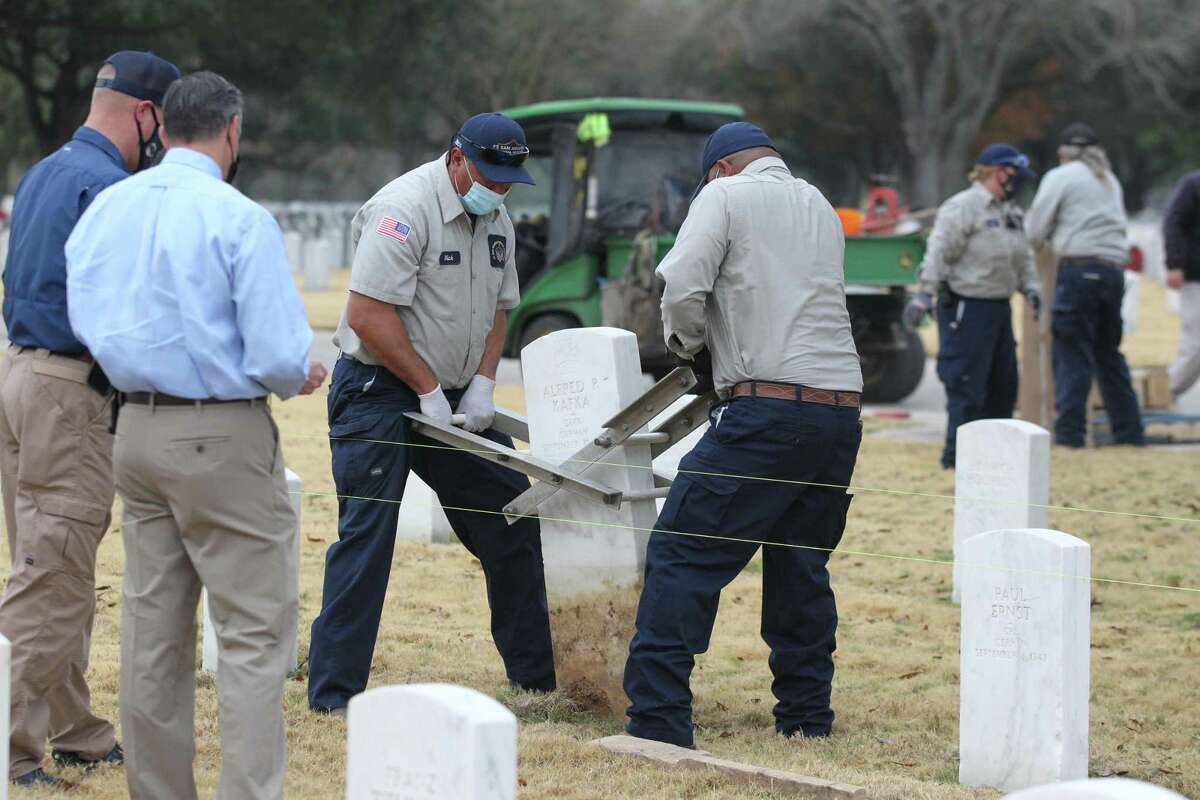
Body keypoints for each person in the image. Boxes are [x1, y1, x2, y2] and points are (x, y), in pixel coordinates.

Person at [64, 71, 325, 800]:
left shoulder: (108, 207)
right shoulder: (237, 216)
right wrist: (296, 370)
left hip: (135, 427)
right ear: (231, 130)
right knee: (249, 635)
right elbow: (276, 353)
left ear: (165, 125)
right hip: (219, 435)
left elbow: (84, 314)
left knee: (153, 634)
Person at [622, 122, 863, 748]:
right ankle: (807, 718)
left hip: (767, 410)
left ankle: (657, 719)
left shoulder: (723, 196)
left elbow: (681, 286)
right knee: (800, 563)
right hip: (838, 412)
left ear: (721, 168)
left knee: (681, 555)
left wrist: (689, 347)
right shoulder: (819, 205)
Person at [307, 112, 556, 715]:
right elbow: (368, 314)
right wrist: (425, 389)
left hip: (452, 396)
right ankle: (335, 695)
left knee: (512, 516)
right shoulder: (404, 208)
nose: (496, 191)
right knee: (370, 537)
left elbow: (499, 307)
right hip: (377, 390)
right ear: (457, 158)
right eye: (488, 176)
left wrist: (483, 386)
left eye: (507, 181)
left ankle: (537, 683)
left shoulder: (497, 219)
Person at [0, 50, 179, 788]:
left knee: (53, 561)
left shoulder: (47, 171)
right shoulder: (111, 189)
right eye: (163, 126)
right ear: (145, 113)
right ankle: (10, 747)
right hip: (70, 390)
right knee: (52, 574)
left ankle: (75, 727)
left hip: (19, 371)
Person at [904, 144, 1042, 469]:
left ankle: (997, 462)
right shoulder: (963, 207)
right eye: (1016, 175)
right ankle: (956, 461)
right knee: (967, 386)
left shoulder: (1010, 211)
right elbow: (939, 251)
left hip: (999, 308)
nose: (1020, 182)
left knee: (1003, 387)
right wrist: (925, 293)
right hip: (968, 310)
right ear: (998, 172)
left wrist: (1031, 288)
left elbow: (1022, 256)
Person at [1027, 123, 1144, 447]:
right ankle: (1129, 433)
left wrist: (1042, 240)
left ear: (1063, 152)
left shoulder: (1061, 176)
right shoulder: (1109, 179)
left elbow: (1035, 228)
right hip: (1113, 272)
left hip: (1079, 269)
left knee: (1072, 353)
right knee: (1108, 354)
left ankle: (1070, 436)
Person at [1162, 170, 1200, 400]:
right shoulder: (1194, 185)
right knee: (1196, 342)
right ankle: (1166, 391)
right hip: (1196, 277)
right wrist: (1175, 263)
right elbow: (1174, 222)